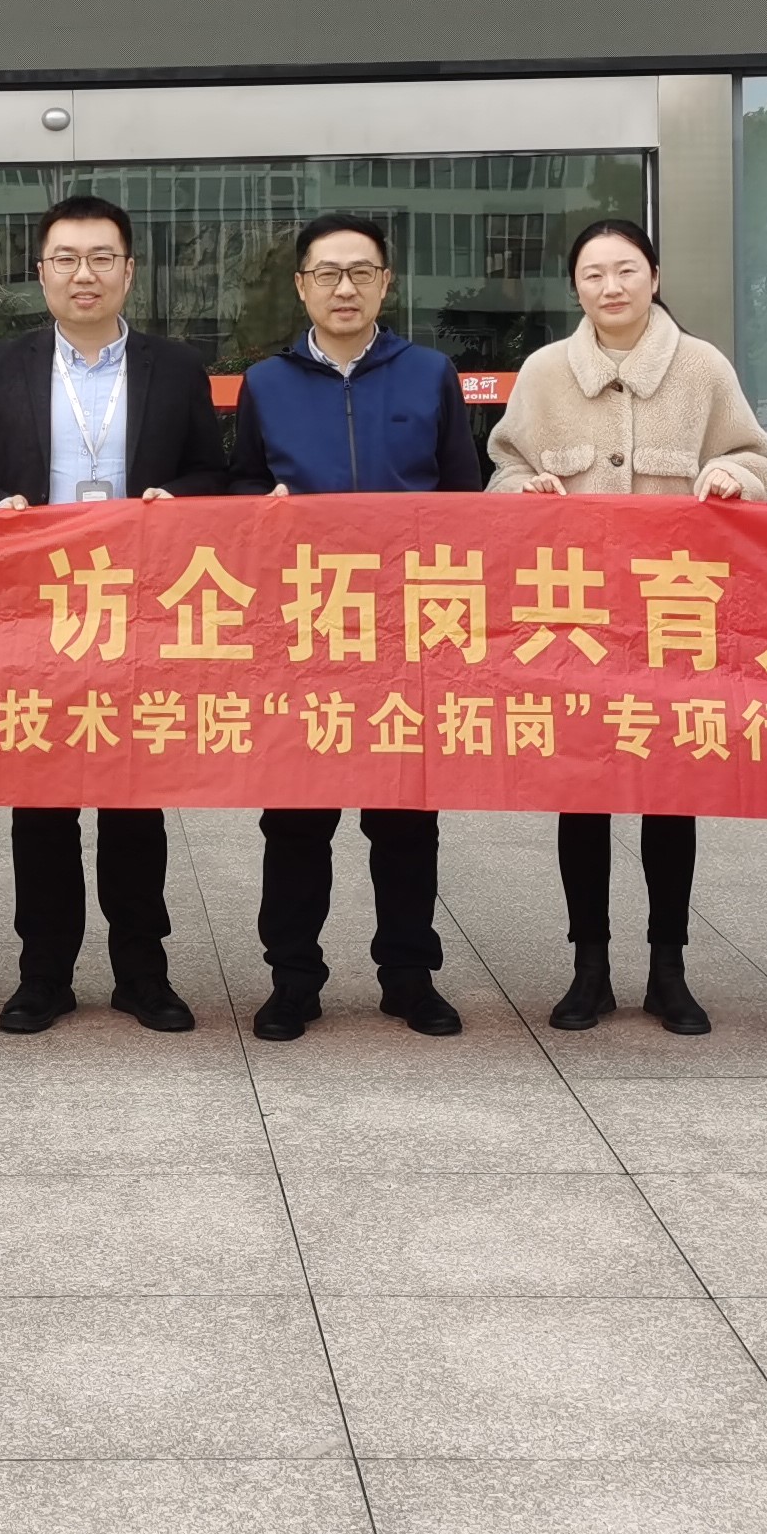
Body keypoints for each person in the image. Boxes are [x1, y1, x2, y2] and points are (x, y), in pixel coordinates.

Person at [488, 217, 767, 1038]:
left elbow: (758, 458)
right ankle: (589, 968)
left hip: (672, 624)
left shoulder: (703, 367)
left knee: (669, 798)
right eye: (593, 273)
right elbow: (503, 467)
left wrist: (732, 475)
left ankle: (668, 969)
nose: (610, 286)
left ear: (654, 276)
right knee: (581, 798)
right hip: (575, 623)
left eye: (625, 270)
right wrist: (523, 490)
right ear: (574, 287)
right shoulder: (546, 372)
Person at [0, 192, 224, 1035]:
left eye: (102, 257)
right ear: (42, 274)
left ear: (129, 271)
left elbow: (216, 473)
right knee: (41, 804)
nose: (84, 274)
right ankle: (44, 975)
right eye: (65, 259)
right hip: (35, 616)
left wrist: (177, 499)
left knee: (135, 801)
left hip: (139, 613)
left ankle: (143, 973)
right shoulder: (5, 363)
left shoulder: (176, 367)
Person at [227, 210, 482, 1042]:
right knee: (295, 820)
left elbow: (463, 497)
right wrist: (257, 509)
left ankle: (409, 976)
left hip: (408, 631)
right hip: (302, 630)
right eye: (328, 273)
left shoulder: (429, 373)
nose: (345, 287)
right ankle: (293, 978)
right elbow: (239, 487)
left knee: (404, 817)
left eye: (361, 272)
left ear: (386, 283)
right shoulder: (265, 383)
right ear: (301, 286)